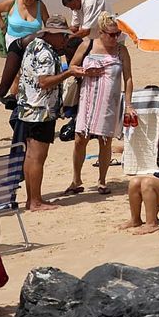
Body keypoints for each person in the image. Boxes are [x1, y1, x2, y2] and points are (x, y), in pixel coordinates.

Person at [64, 14, 134, 196]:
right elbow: (72, 67)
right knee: (80, 140)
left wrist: (128, 104)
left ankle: (102, 180)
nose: (115, 38)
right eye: (111, 34)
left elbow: (128, 78)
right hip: (88, 99)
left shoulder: (121, 51)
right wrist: (86, 72)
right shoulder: (88, 45)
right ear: (101, 32)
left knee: (105, 141)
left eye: (118, 34)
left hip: (108, 102)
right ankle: (76, 179)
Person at [8, 18, 72, 212]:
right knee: (37, 157)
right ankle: (35, 200)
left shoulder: (34, 45)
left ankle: (32, 198)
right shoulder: (45, 52)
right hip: (41, 111)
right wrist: (68, 74)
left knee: (30, 156)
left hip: (28, 107)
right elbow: (45, 81)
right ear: (51, 33)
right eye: (62, 35)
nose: (65, 40)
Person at [0, 0, 48, 64]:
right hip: (13, 42)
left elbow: (48, 23)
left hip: (34, 42)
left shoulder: (40, 5)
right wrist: (2, 26)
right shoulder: (12, 2)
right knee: (16, 70)